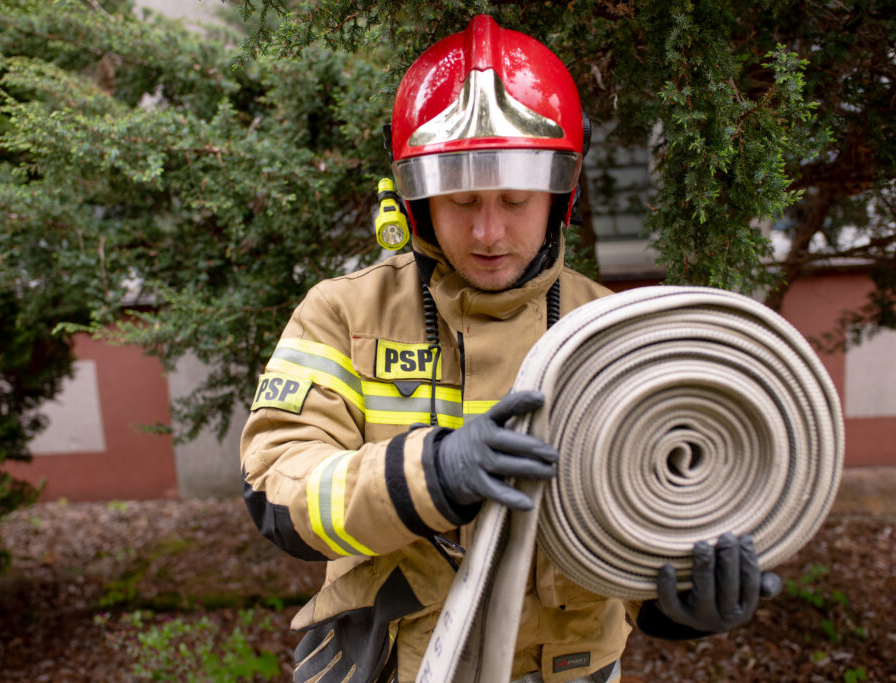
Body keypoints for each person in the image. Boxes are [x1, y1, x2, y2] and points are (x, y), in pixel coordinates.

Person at [240, 14, 778, 683]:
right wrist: (429, 475)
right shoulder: (343, 313)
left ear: (560, 195)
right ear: (417, 201)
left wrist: (686, 602)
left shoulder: (612, 332)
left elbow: (643, 524)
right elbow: (278, 490)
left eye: (516, 199)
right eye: (461, 199)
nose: (489, 230)